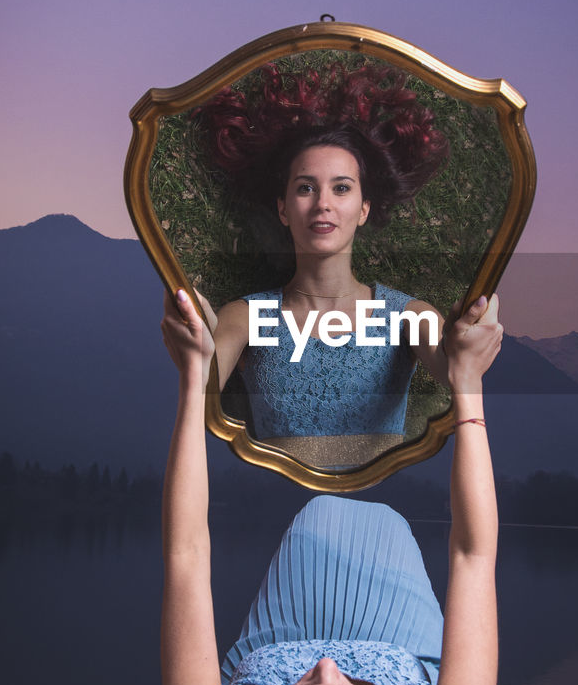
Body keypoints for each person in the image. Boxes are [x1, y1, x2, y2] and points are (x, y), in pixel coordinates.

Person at [74, 287, 540, 685]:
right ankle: (353, 680)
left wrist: (193, 380)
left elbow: (185, 555)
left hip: (282, 627)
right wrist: (467, 387)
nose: (324, 665)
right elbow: (472, 555)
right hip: (399, 640)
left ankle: (317, 682)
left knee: (319, 512)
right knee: (378, 527)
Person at [192, 62, 453, 464]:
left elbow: (459, 375)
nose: (323, 204)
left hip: (379, 521)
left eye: (342, 188)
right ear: (283, 209)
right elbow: (196, 404)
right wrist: (192, 357)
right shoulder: (245, 317)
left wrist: (470, 348)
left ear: (364, 209)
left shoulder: (410, 318)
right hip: (276, 518)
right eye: (306, 188)